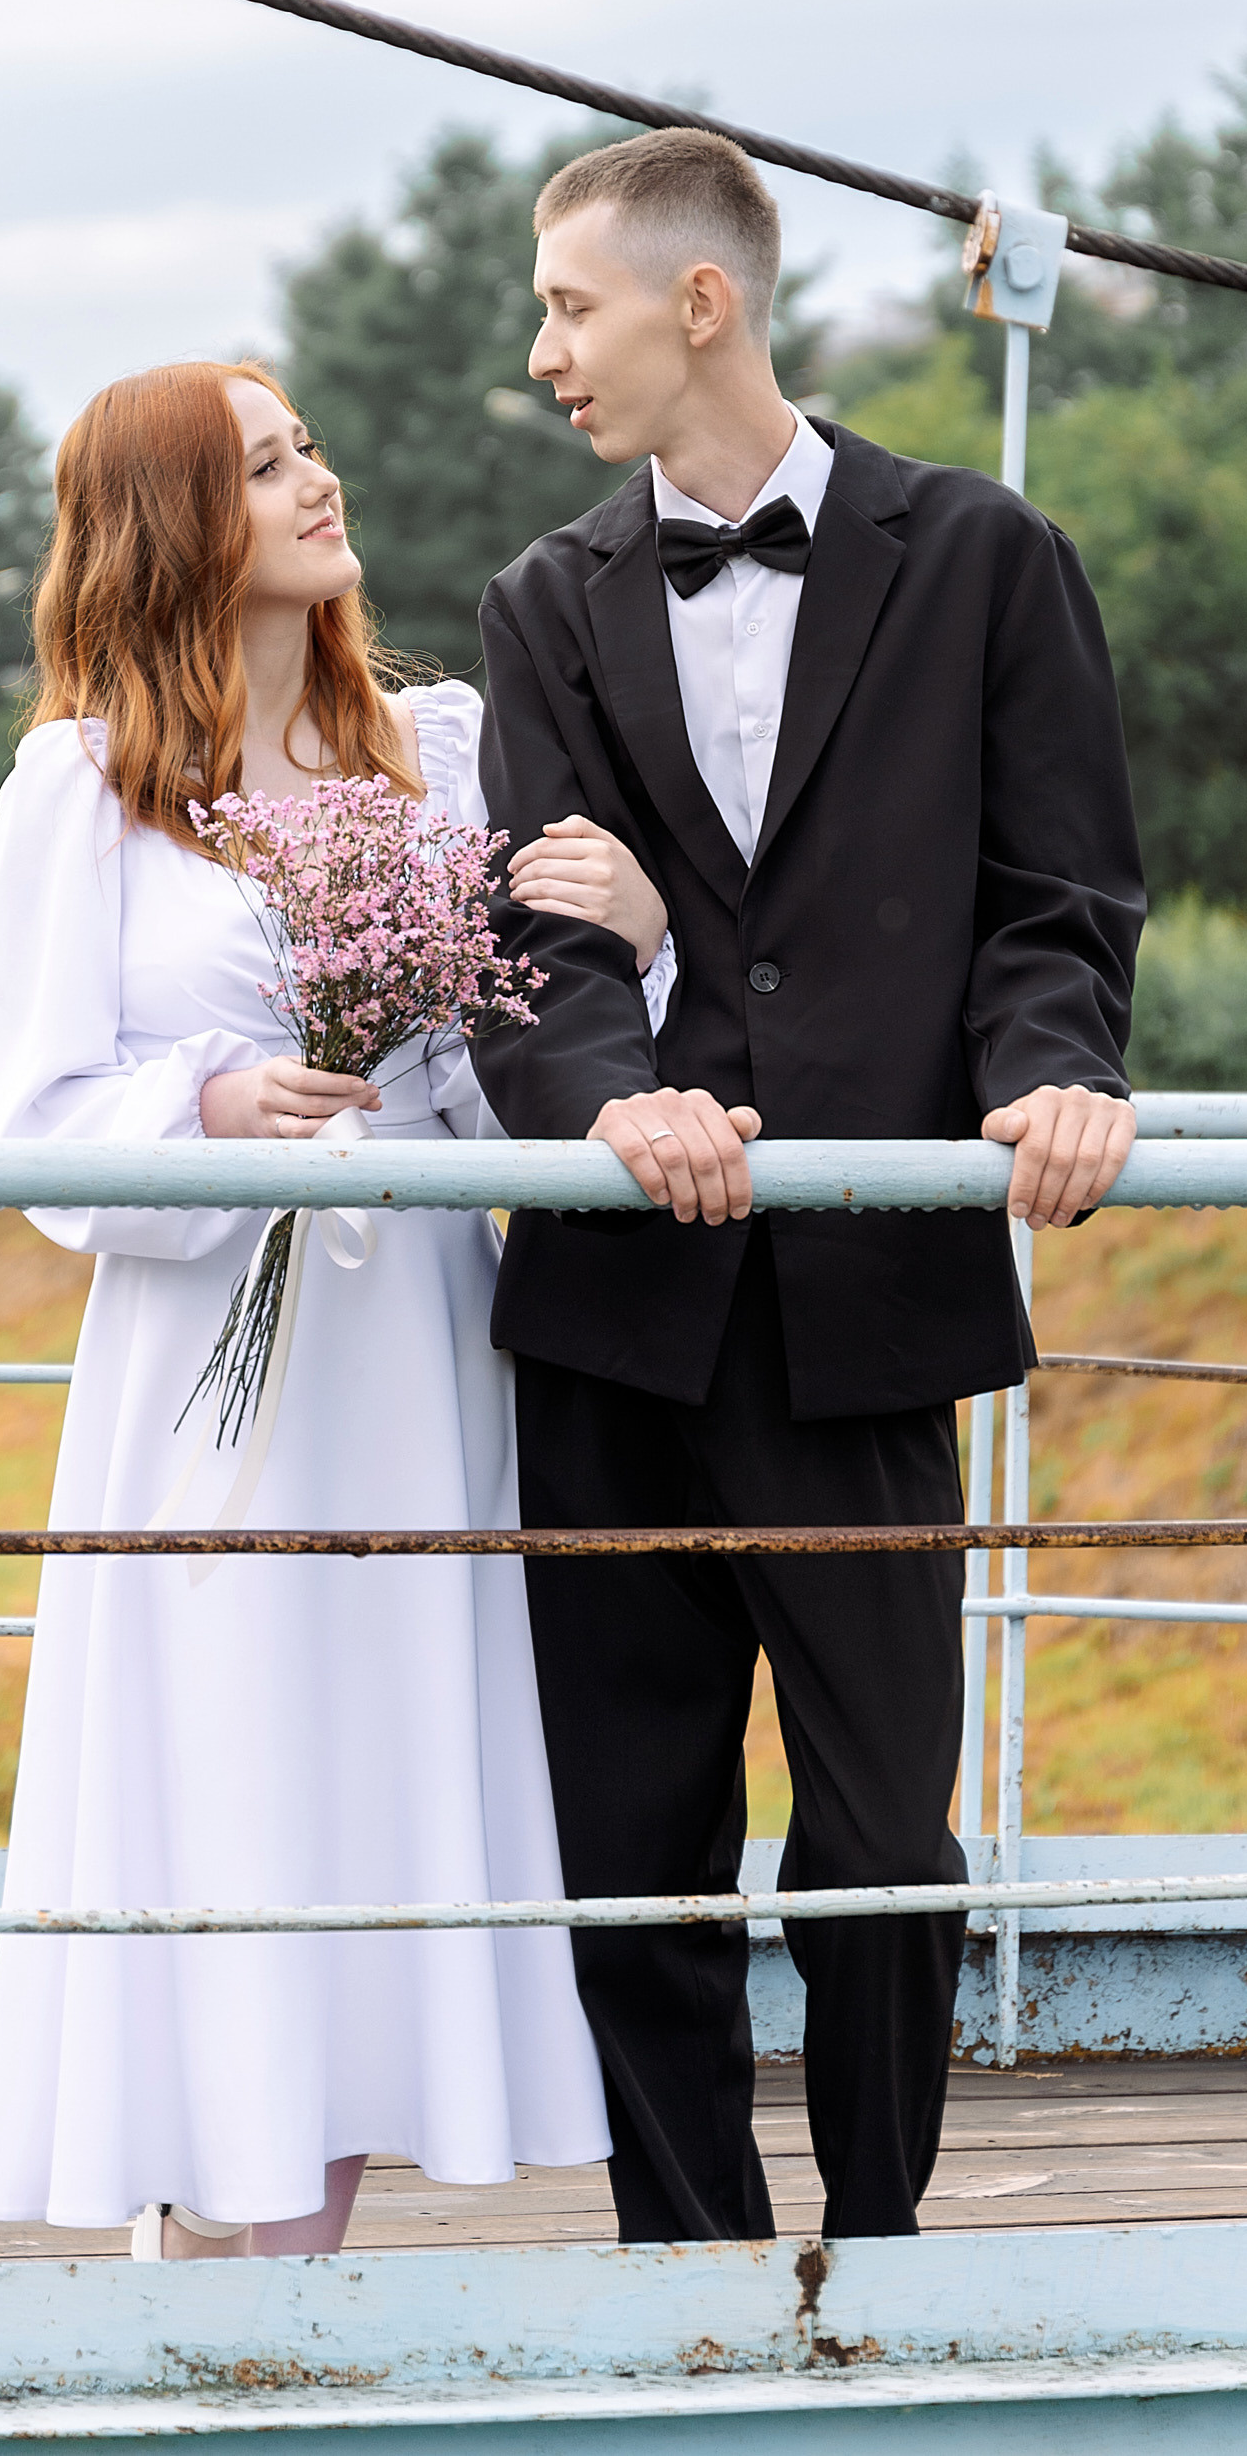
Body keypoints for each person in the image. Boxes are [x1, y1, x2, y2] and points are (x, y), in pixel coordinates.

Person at [470, 130, 1145, 2245]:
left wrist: (1052, 1072)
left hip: (867, 1304)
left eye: (568, 306)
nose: (540, 351)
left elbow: (1055, 894)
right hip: (614, 1317)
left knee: (879, 1829)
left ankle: (882, 2252)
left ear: (701, 302)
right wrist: (608, 1107)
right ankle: (686, 2267)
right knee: (631, 1836)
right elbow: (535, 949)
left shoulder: (985, 557)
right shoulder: (542, 603)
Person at [0, 358, 671, 2258]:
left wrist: (646, 939)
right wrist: (198, 1108)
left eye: (305, 447)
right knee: (232, 1758)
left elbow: (528, 1038)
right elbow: (31, 1124)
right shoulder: (84, 784)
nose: (315, 481)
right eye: (263, 466)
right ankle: (219, 2265)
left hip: (417, 1339)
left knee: (376, 1767)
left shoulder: (435, 746)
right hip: (210, 1368)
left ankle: (306, 2276)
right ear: (176, 526)